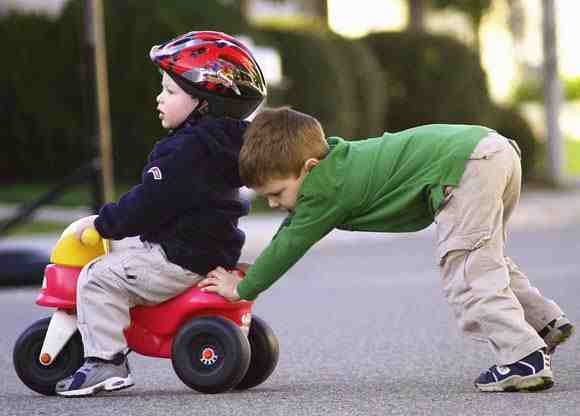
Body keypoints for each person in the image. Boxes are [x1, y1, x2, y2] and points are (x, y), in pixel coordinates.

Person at [201, 107, 575, 393]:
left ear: (308, 169)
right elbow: (291, 231)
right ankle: (542, 324)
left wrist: (241, 289)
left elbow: (290, 243)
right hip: (493, 153)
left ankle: (523, 358)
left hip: (466, 166)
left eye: (277, 193)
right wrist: (252, 267)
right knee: (483, 258)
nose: (275, 203)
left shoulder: (323, 188)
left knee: (467, 270)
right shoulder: (334, 171)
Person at [55, 31, 267, 397]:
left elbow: (149, 203)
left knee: (97, 276)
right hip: (209, 248)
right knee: (124, 252)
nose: (159, 97)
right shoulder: (223, 142)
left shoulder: (185, 151)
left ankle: (106, 362)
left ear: (203, 102)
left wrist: (105, 223)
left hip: (179, 256)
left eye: (170, 92)